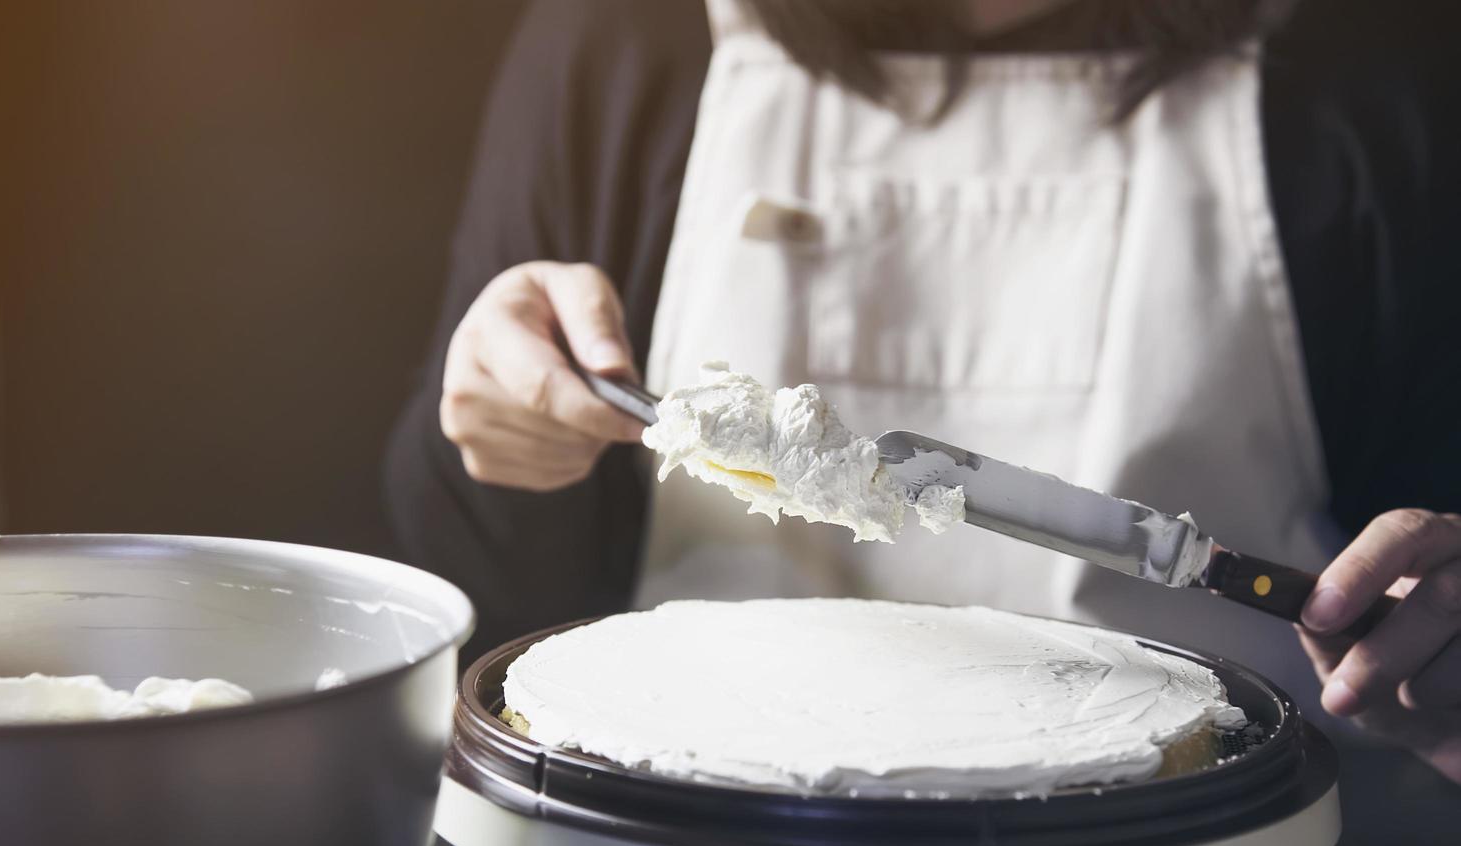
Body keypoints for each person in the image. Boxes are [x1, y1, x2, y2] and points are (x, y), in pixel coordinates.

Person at [386, 0, 1460, 781]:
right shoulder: (624, 43)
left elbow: (1428, 589)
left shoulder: (1372, 66)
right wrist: (506, 439)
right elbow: (471, 599)